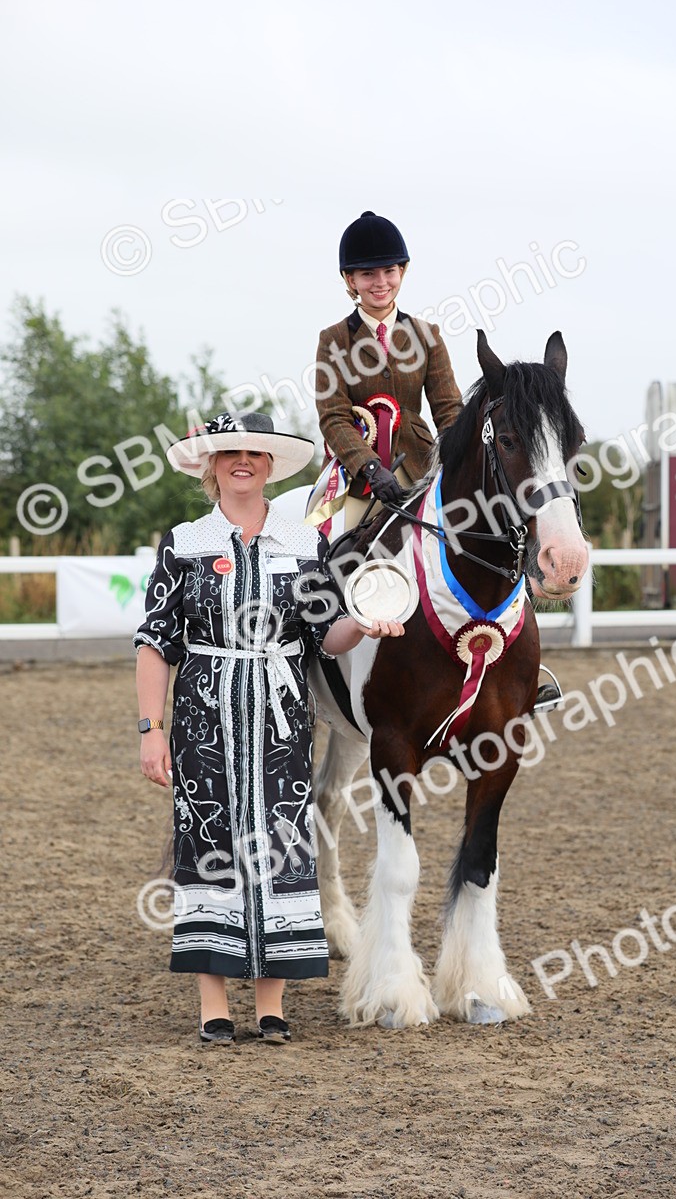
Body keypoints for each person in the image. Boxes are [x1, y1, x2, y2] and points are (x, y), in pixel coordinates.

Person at [134, 411, 403, 1045]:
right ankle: (213, 1007)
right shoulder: (184, 542)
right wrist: (151, 728)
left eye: (254, 452)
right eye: (229, 452)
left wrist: (364, 622)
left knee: (281, 846)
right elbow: (154, 642)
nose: (242, 461)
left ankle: (271, 1007)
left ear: (269, 465)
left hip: (280, 720)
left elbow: (326, 634)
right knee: (209, 844)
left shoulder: (303, 544)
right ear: (211, 464)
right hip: (203, 717)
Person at [311, 210, 462, 531]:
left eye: (389, 271)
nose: (380, 283)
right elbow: (333, 415)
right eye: (368, 274)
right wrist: (369, 466)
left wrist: (458, 461)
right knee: (337, 541)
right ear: (350, 279)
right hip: (358, 477)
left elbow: (449, 410)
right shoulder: (334, 339)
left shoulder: (427, 335)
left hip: (420, 464)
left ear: (402, 271)